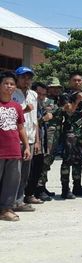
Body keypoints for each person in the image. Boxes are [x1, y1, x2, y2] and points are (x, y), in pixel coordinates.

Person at [0, 71, 30, 221]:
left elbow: (21, 128)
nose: (9, 86)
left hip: (14, 149)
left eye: (12, 84)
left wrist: (26, 146)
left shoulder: (17, 106)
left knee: (12, 181)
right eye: (6, 83)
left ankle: (6, 209)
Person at [59, 72, 82, 199]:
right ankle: (65, 189)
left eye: (80, 80)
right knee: (67, 161)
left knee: (79, 161)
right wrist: (77, 100)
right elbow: (69, 111)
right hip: (70, 133)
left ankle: (77, 187)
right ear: (69, 81)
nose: (77, 82)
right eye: (74, 80)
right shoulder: (65, 95)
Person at [12, 66, 38, 212]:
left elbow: (35, 119)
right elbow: (9, 114)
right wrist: (24, 110)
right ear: (17, 78)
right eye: (23, 77)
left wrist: (37, 140)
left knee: (25, 174)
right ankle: (9, 201)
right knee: (13, 173)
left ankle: (19, 201)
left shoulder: (33, 94)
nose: (26, 80)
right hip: (14, 138)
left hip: (30, 138)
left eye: (29, 77)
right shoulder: (11, 93)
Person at [36, 77, 63, 201]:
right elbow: (40, 118)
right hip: (48, 133)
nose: (56, 90)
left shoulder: (58, 100)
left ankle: (43, 186)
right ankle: (38, 188)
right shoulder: (45, 101)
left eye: (58, 88)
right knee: (45, 160)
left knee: (49, 160)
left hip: (56, 134)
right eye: (53, 87)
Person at [24, 82, 49, 204]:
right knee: (27, 171)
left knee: (37, 168)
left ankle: (30, 194)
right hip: (28, 140)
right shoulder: (27, 102)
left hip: (39, 140)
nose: (41, 96)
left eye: (43, 94)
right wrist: (43, 119)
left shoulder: (41, 105)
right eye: (39, 93)